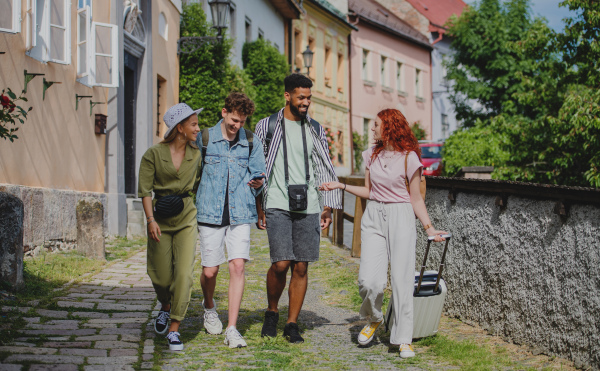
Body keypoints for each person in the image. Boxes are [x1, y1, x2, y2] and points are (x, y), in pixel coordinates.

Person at [320, 108, 446, 358]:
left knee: (401, 280)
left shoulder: (410, 158)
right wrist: (342, 185)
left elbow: (416, 198)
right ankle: (374, 319)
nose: (372, 129)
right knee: (369, 281)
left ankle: (403, 339)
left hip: (401, 216)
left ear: (390, 126)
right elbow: (369, 191)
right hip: (374, 216)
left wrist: (429, 228)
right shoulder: (371, 156)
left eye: (376, 124)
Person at [254, 73, 343, 344]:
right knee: (281, 263)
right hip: (277, 202)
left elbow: (325, 166)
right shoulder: (266, 126)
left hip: (310, 204)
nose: (305, 103)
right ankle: (272, 311)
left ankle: (292, 323)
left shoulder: (315, 128)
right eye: (301, 97)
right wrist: (259, 208)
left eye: (308, 98)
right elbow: (257, 169)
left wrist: (329, 208)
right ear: (288, 96)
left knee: (301, 266)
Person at [195, 92, 266, 348]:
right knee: (209, 270)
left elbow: (259, 176)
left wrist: (259, 181)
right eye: (234, 119)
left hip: (240, 213)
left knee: (237, 266)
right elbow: (191, 173)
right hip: (209, 212)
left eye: (242, 121)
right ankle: (210, 306)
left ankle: (232, 328)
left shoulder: (250, 141)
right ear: (224, 112)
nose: (237, 125)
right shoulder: (204, 139)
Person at [138, 103, 203, 351]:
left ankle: (174, 329)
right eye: (193, 124)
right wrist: (150, 220)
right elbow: (145, 190)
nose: (198, 128)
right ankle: (165, 305)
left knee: (184, 273)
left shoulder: (196, 154)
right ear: (180, 128)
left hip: (186, 216)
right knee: (161, 275)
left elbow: (197, 184)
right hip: (160, 216)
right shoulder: (153, 154)